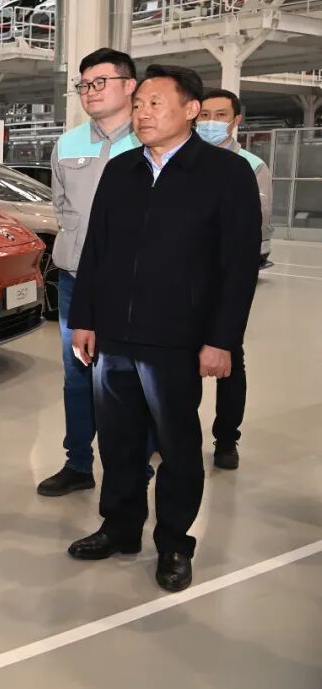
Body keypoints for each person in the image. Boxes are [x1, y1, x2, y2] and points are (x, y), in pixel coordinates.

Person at [67, 65, 261, 593]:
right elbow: (96, 249)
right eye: (138, 104)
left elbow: (238, 266)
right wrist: (84, 318)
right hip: (114, 335)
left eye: (155, 103)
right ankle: (120, 526)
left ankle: (174, 542)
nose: (143, 113)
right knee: (119, 441)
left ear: (190, 110)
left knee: (177, 446)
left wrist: (221, 340)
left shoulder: (226, 173)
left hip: (177, 337)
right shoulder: (122, 169)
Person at [38, 48, 140, 497]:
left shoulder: (151, 138)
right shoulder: (68, 143)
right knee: (76, 373)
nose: (90, 92)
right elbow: (62, 207)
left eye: (100, 82)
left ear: (129, 85)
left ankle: (135, 465)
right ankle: (78, 463)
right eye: (84, 85)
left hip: (134, 284)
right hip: (76, 280)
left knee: (131, 375)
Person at [197, 88, 273, 470]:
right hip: (186, 277)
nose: (211, 122)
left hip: (227, 279)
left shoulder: (251, 166)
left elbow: (255, 227)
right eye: (205, 114)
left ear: (236, 120)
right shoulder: (184, 160)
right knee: (180, 359)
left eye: (220, 115)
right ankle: (172, 430)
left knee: (229, 355)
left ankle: (226, 439)